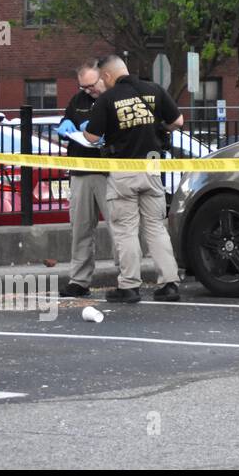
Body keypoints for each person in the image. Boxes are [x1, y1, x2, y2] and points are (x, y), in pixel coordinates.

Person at [84, 55, 183, 303]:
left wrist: (85, 129)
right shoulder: (154, 89)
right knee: (156, 228)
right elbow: (178, 121)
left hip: (123, 172)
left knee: (126, 230)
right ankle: (170, 283)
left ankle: (129, 286)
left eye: (101, 79)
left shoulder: (107, 99)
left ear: (107, 76)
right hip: (152, 168)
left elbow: (93, 138)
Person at [56, 60, 109, 298]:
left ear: (103, 77)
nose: (89, 91)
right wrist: (65, 129)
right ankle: (79, 280)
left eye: (91, 85)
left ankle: (128, 279)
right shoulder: (78, 101)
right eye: (83, 87)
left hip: (109, 171)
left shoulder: (115, 98)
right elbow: (66, 124)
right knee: (80, 229)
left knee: (120, 229)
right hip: (80, 170)